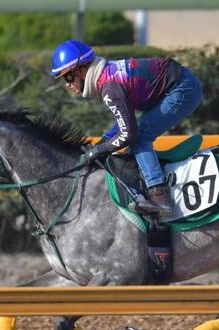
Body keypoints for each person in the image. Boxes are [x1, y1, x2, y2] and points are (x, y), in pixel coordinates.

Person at [50, 39, 202, 216]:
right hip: (179, 82)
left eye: (68, 77)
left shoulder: (109, 87)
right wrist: (102, 143)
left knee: (140, 137)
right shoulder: (106, 76)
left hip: (183, 88)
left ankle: (159, 196)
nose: (67, 84)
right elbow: (125, 119)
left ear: (83, 69)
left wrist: (98, 150)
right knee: (132, 137)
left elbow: (129, 133)